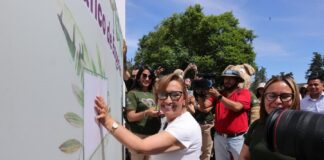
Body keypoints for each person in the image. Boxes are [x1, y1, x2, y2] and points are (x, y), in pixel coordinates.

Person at [94, 73, 202, 160]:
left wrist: (108, 121)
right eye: (162, 94)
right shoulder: (174, 121)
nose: (168, 100)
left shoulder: (185, 126)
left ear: (184, 99)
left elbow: (141, 147)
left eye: (175, 95)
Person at [239, 75, 300, 160]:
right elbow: (244, 156)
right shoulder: (256, 125)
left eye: (285, 96)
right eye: (271, 96)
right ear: (264, 98)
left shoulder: (305, 131)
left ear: (295, 99)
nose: (278, 101)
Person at [204, 68, 251, 160]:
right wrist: (201, 95)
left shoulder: (243, 92)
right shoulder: (220, 93)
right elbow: (204, 106)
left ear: (237, 80)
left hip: (237, 138)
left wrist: (218, 96)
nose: (227, 81)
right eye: (226, 78)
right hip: (219, 137)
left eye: (231, 78)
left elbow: (237, 107)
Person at [123, 65, 162, 160]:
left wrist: (159, 113)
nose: (147, 79)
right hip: (138, 137)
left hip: (153, 136)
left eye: (150, 77)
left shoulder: (153, 94)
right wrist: (146, 113)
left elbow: (156, 109)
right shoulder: (132, 94)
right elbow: (130, 117)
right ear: (139, 76)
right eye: (144, 76)